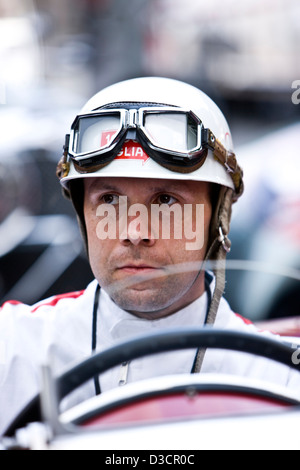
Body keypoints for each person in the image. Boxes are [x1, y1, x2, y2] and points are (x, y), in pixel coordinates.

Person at [0, 77, 299, 435]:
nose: (134, 232)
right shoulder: (12, 347)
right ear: (82, 216)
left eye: (166, 201)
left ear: (217, 219)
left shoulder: (281, 378)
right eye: (109, 199)